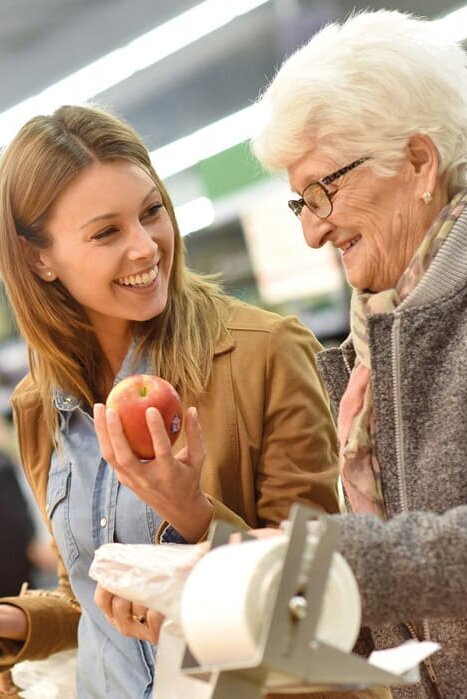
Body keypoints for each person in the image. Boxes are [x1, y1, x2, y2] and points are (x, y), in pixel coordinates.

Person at [0, 104, 339, 698]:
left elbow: (322, 592)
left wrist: (195, 516)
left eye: (152, 212)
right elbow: (91, 595)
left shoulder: (265, 354)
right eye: (107, 232)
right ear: (39, 259)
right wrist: (24, 623)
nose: (146, 247)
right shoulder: (39, 404)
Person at [251, 8, 467, 699]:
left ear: (417, 161)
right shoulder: (372, 348)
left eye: (323, 189)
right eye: (297, 204)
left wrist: (331, 561)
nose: (312, 232)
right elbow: (400, 626)